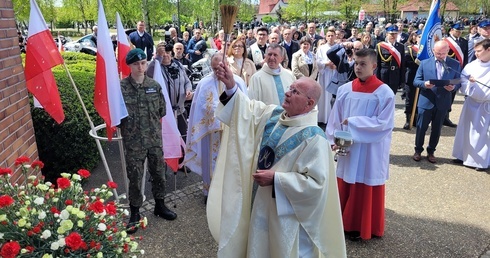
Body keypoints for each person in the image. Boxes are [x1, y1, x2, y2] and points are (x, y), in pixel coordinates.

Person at [207, 63, 346, 257]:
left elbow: (316, 186)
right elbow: (244, 110)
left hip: (285, 218)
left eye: (295, 92)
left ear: (309, 103)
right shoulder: (273, 115)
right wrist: (231, 85)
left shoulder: (314, 139)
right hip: (258, 204)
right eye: (290, 88)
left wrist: (277, 180)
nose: (288, 93)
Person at [325, 48, 395, 241]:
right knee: (347, 179)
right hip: (349, 145)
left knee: (365, 181)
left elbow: (384, 124)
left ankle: (363, 226)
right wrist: (332, 139)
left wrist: (354, 122)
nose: (358, 67)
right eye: (356, 63)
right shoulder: (345, 89)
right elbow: (335, 117)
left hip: (371, 149)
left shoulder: (384, 93)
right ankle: (342, 222)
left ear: (373, 66)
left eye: (363, 64)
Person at [120, 49, 177, 234]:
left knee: (159, 174)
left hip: (154, 140)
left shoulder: (154, 86)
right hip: (134, 143)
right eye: (136, 64)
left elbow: (162, 110)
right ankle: (135, 213)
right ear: (129, 65)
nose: (141, 67)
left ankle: (160, 205)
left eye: (143, 63)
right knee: (135, 178)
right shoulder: (121, 89)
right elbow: (117, 116)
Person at [184, 52, 247, 198]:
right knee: (210, 165)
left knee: (230, 163)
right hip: (209, 133)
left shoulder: (237, 82)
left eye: (220, 67)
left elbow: (244, 106)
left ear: (227, 65)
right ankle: (209, 193)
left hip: (231, 132)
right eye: (214, 69)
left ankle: (228, 194)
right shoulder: (204, 83)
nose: (218, 72)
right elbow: (198, 108)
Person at [412, 40, 461, 163]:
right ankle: (418, 150)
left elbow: (458, 81)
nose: (440, 56)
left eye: (442, 53)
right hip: (426, 100)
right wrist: (424, 84)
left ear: (448, 51)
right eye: (437, 53)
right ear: (433, 51)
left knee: (437, 128)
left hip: (442, 101)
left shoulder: (454, 64)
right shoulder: (424, 63)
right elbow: (416, 81)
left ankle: (431, 151)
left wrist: (453, 87)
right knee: (421, 127)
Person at [452, 38, 490, 171]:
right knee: (466, 131)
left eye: (479, 51)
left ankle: (480, 161)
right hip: (472, 103)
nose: (476, 54)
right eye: (475, 51)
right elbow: (462, 83)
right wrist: (470, 83)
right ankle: (462, 155)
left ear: (488, 50)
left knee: (484, 134)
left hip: (487, 106)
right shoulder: (471, 66)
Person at [147, 42, 193, 140]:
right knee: (168, 141)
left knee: (183, 139)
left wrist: (188, 90)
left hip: (180, 111)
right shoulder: (156, 67)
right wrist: (158, 57)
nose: (165, 55)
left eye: (167, 52)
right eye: (163, 53)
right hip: (165, 115)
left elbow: (187, 81)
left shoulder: (179, 65)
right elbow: (149, 72)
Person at [443, 23, 469, 128]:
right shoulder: (445, 41)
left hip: (457, 72)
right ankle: (439, 116)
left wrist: (464, 70)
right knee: (443, 94)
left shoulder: (463, 42)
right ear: (451, 30)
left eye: (460, 31)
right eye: (457, 30)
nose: (459, 32)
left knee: (452, 94)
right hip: (446, 72)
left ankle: (446, 117)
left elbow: (465, 57)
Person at [376, 25, 406, 95]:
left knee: (392, 95)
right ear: (387, 34)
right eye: (391, 34)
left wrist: (402, 80)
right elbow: (377, 64)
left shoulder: (400, 46)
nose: (393, 36)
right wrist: (376, 79)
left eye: (395, 33)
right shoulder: (380, 46)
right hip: (383, 74)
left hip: (395, 74)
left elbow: (402, 65)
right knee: (382, 95)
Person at [316, 28, 338, 125]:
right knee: (324, 96)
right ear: (325, 36)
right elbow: (318, 61)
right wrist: (326, 64)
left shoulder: (339, 47)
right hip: (325, 74)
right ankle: (323, 118)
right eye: (328, 35)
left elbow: (343, 60)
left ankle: (333, 118)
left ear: (335, 36)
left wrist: (337, 65)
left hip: (335, 74)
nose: (330, 37)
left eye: (332, 35)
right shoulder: (321, 48)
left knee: (334, 96)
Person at [402, 30, 422, 130]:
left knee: (419, 99)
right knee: (410, 99)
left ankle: (416, 119)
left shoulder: (429, 51)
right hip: (411, 77)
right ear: (415, 37)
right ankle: (408, 119)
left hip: (423, 78)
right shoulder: (410, 48)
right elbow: (406, 61)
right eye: (419, 36)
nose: (421, 38)